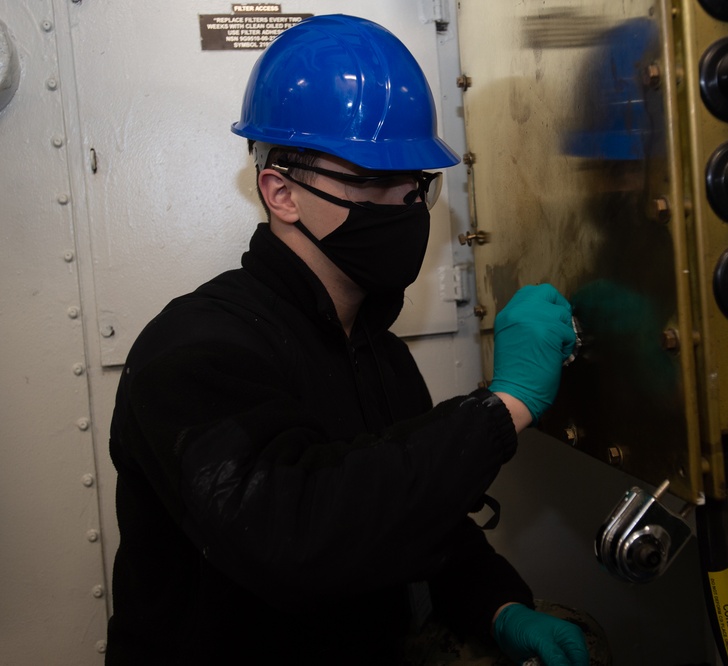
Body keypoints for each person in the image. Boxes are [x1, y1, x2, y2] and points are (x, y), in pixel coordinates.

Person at [105, 13, 589, 666]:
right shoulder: (195, 351)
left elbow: (418, 519)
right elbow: (295, 537)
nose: (405, 205)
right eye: (370, 178)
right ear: (281, 192)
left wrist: (499, 608)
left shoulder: (376, 353)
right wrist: (503, 406)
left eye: (416, 182)